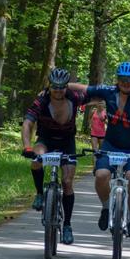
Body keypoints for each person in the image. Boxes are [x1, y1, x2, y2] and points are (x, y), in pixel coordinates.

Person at [68, 62, 130, 238]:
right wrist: (58, 86)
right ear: (117, 79)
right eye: (123, 79)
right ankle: (105, 208)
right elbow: (84, 88)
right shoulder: (108, 91)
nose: (126, 83)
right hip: (111, 145)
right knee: (101, 175)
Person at [21, 68, 86, 245]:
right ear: (49, 86)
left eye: (61, 87)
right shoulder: (42, 100)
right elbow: (27, 124)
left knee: (67, 182)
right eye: (54, 87)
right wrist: (27, 146)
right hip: (46, 140)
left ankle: (67, 225)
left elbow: (94, 94)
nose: (58, 91)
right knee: (36, 160)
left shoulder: (74, 97)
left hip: (67, 142)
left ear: (66, 87)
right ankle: (40, 194)